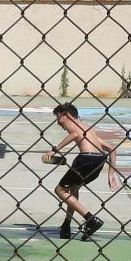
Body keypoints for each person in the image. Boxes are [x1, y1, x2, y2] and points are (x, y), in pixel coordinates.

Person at [43, 102, 119, 241]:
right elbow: (112, 149)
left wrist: (55, 149)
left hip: (86, 159)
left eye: (59, 117)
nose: (58, 123)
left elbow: (75, 134)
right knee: (73, 188)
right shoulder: (89, 130)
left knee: (60, 191)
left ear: (67, 115)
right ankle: (67, 224)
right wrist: (111, 174)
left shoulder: (75, 125)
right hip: (99, 161)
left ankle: (90, 220)